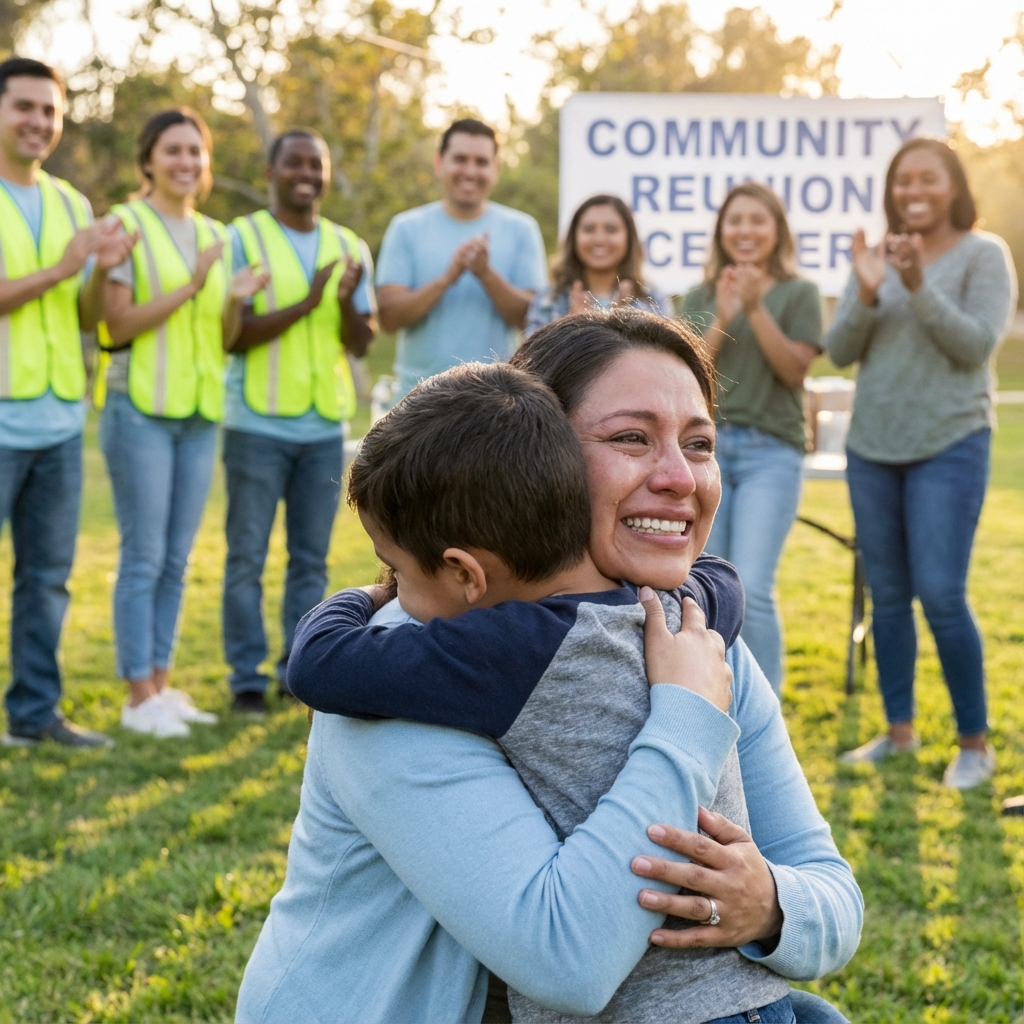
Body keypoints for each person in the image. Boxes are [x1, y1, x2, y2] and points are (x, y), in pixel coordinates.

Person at [239, 313, 861, 1024]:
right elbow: (569, 959)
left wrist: (770, 903)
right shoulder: (406, 667)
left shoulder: (696, 633)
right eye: (631, 438)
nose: (678, 478)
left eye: (699, 444)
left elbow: (834, 898)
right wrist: (685, 717)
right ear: (541, 457)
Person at [827, 138, 1016, 788]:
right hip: (874, 445)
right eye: (902, 180)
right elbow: (840, 347)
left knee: (940, 592)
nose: (913, 190)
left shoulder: (983, 254)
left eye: (927, 178)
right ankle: (899, 732)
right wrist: (869, 289)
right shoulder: (877, 257)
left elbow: (975, 346)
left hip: (949, 442)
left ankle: (974, 744)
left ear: (953, 185)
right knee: (888, 598)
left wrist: (915, 287)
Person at [99, 108, 267, 739]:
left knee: (176, 557)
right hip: (138, 409)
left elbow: (223, 339)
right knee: (142, 555)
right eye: (173, 150)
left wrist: (232, 299)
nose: (186, 162)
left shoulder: (213, 233)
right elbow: (115, 327)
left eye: (196, 152)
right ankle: (136, 695)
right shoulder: (126, 224)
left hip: (198, 414)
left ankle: (162, 688)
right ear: (148, 160)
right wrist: (196, 283)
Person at [0, 57, 134, 748]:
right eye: (25, 107)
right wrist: (60, 266)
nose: (39, 123)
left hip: (56, 420)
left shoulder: (68, 204)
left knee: (47, 580)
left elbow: (84, 316)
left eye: (50, 111)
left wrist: (102, 269)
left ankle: (33, 716)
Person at [222, 129, 375, 713]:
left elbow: (361, 341)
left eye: (317, 163)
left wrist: (338, 303)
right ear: (271, 170)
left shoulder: (349, 244)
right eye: (294, 163)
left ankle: (298, 669)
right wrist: (309, 302)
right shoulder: (244, 238)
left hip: (322, 425)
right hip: (255, 423)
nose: (306, 173)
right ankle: (245, 678)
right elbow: (234, 337)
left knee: (310, 559)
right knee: (247, 556)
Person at [678, 183, 822, 695]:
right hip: (706, 455)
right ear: (721, 231)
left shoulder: (798, 294)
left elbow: (793, 371)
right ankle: (712, 694)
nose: (745, 230)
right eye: (735, 220)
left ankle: (766, 710)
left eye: (757, 220)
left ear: (776, 230)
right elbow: (686, 380)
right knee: (706, 583)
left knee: (754, 588)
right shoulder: (698, 296)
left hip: (771, 453)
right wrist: (723, 317)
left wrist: (757, 308)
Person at [375, 118, 548, 397]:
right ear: (439, 163)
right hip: (418, 403)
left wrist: (485, 274)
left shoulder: (522, 229)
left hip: (498, 402)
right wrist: (448, 277)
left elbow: (535, 320)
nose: (470, 170)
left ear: (496, 169)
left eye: (481, 162)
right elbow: (389, 318)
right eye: (460, 159)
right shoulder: (406, 227)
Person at [526, 194, 670, 336]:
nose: (599, 239)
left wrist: (624, 330)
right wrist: (575, 327)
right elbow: (532, 357)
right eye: (589, 229)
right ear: (574, 237)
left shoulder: (652, 300)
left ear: (629, 237)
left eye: (611, 229)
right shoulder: (549, 300)